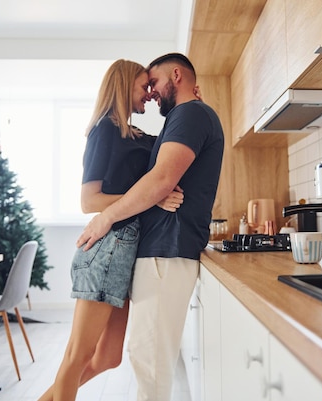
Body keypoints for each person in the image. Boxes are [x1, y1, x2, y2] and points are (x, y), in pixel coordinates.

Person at [76, 52, 224, 401]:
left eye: (153, 82)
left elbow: (159, 180)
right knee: (145, 361)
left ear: (176, 75)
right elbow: (152, 182)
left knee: (149, 363)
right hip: (159, 250)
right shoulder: (184, 116)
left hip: (165, 250)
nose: (152, 92)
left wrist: (106, 216)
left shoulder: (190, 113)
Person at [38, 59, 184, 401]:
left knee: (108, 358)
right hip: (106, 249)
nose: (149, 94)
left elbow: (168, 146)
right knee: (77, 357)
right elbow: (89, 201)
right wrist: (150, 199)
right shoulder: (104, 130)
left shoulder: (132, 134)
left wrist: (190, 103)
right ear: (122, 85)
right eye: (142, 86)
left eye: (151, 87)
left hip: (124, 252)